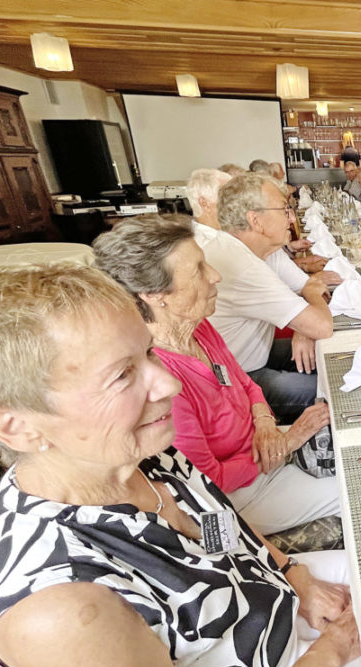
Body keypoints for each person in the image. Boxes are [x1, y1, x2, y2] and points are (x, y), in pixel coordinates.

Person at [0, 264, 361, 667]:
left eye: (148, 353)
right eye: (122, 375)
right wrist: (333, 651)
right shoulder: (58, 610)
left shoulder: (143, 455)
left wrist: (292, 575)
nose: (169, 382)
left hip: (274, 607)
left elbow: (229, 531)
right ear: (16, 426)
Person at [93, 216, 340, 534]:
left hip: (266, 449)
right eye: (198, 269)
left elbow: (247, 384)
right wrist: (289, 441)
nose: (215, 275)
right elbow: (208, 479)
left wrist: (266, 425)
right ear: (154, 294)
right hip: (236, 495)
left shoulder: (198, 327)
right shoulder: (159, 379)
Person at [197, 172, 335, 423]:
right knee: (334, 391)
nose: (291, 218)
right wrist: (309, 305)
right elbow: (322, 324)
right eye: (284, 209)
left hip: (255, 353)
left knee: (336, 359)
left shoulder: (253, 249)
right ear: (256, 221)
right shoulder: (242, 264)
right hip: (236, 380)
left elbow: (308, 291)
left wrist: (302, 325)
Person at [186, 168, 327, 293]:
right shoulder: (199, 248)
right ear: (204, 203)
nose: (236, 201)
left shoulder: (240, 234)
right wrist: (309, 278)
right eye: (226, 195)